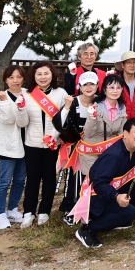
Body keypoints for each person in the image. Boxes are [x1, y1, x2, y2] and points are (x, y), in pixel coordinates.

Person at [75, 118, 135, 248]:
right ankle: (88, 229)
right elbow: (99, 184)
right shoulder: (113, 155)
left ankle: (117, 219)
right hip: (96, 198)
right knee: (129, 212)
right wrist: (116, 196)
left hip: (114, 190)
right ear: (125, 133)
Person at [21, 61, 69, 228]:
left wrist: (55, 137)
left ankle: (44, 211)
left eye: (46, 73)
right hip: (32, 143)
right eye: (39, 74)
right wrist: (20, 109)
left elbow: (64, 119)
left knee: (49, 178)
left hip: (53, 144)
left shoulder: (60, 93)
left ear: (52, 75)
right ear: (33, 76)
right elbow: (22, 122)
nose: (43, 77)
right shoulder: (27, 95)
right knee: (32, 178)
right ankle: (28, 212)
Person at [54, 71, 99, 223]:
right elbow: (59, 123)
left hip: (95, 147)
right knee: (74, 178)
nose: (88, 87)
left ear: (97, 85)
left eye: (92, 83)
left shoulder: (100, 102)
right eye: (85, 84)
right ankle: (70, 207)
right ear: (79, 86)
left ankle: (89, 207)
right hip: (76, 147)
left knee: (93, 177)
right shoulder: (72, 101)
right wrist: (66, 108)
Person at [0, 66, 29, 230]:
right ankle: (0, 214)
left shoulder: (28, 94)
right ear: (5, 80)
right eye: (11, 77)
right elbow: (7, 119)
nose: (15, 81)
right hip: (7, 145)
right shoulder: (0, 97)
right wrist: (5, 102)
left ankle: (12, 209)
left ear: (23, 78)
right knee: (4, 181)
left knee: (20, 179)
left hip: (26, 144)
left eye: (18, 77)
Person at [115, 51, 135, 120]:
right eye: (129, 62)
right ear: (122, 65)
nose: (132, 65)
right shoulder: (116, 82)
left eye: (134, 62)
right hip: (120, 121)